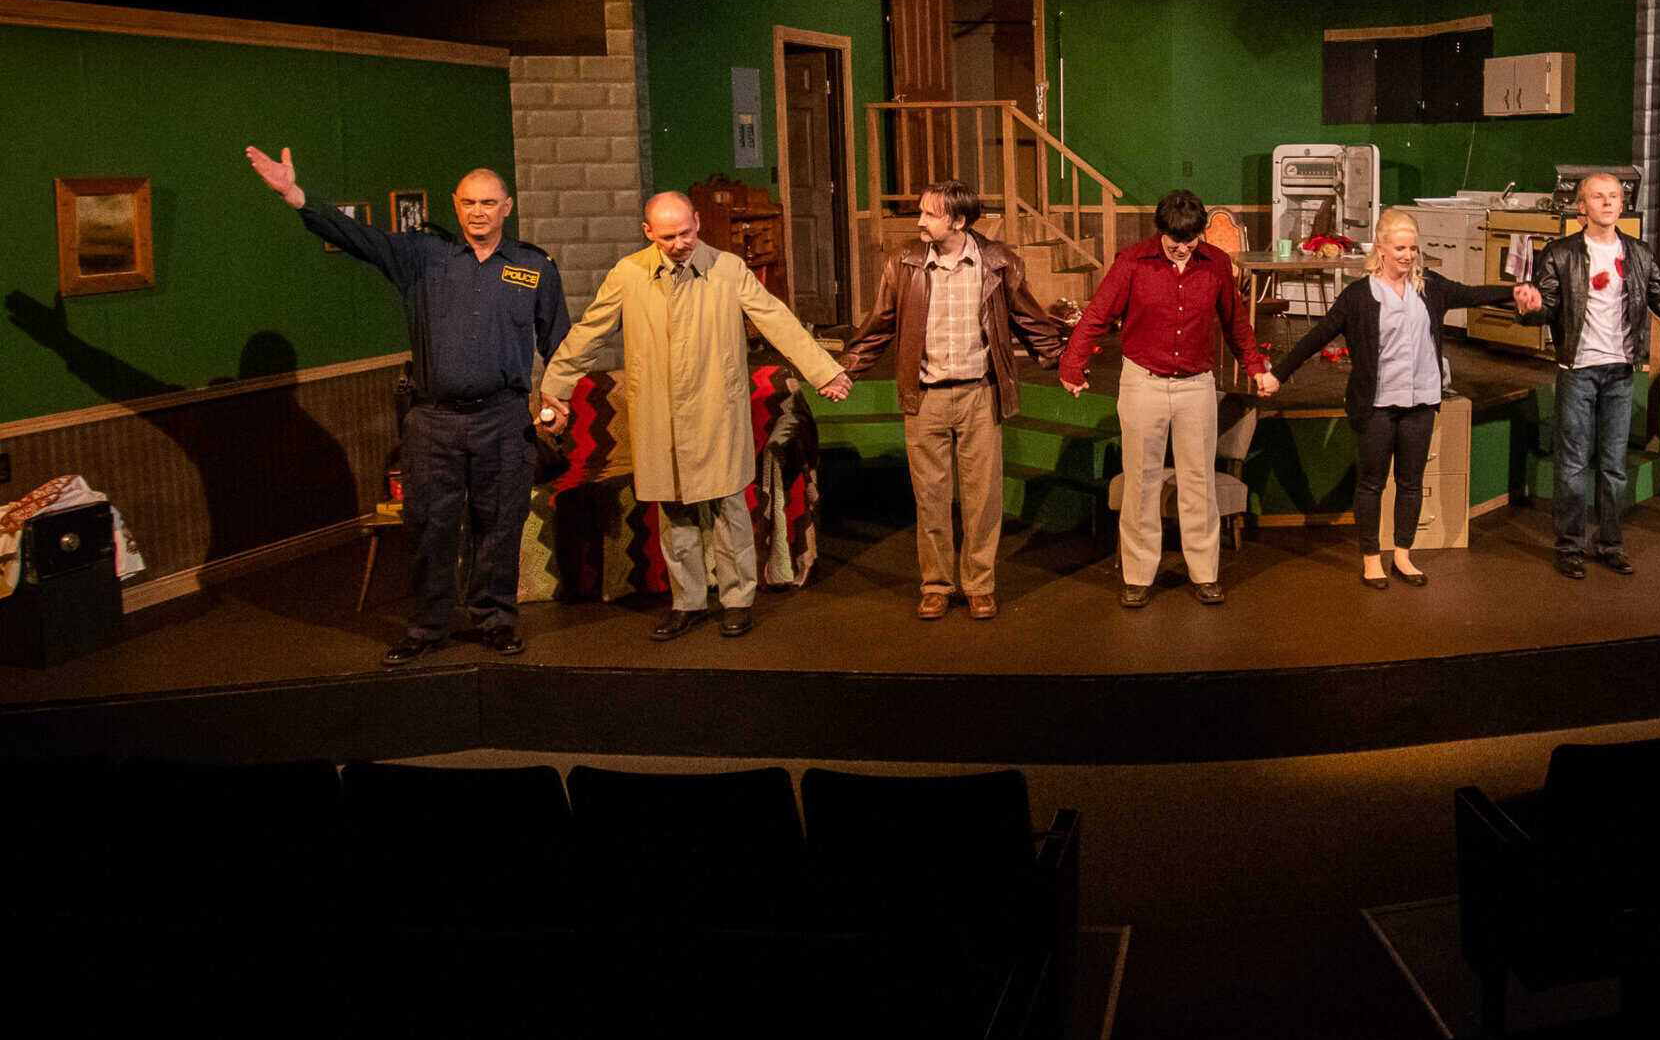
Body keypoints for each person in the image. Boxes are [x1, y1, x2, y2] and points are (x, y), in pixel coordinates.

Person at [244, 147, 566, 663]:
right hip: (433, 421)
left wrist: (559, 394)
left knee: (499, 526)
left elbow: (560, 344)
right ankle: (428, 626)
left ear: (507, 207)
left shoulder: (533, 267)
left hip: (504, 420)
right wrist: (297, 196)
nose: (478, 212)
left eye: (488, 203)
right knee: (430, 527)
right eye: (468, 203)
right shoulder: (422, 256)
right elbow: (357, 237)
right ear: (455, 205)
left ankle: (497, 620)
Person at [539, 191, 852, 640]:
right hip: (659, 415)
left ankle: (737, 600)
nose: (678, 244)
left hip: (714, 412)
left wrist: (823, 371)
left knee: (728, 508)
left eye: (685, 233)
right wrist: (557, 387)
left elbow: (776, 319)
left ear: (699, 223)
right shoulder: (629, 274)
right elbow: (590, 332)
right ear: (648, 232)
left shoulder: (727, 269)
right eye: (667, 236)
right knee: (675, 512)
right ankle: (687, 602)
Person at [839, 180, 1071, 621]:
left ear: (959, 220)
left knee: (983, 498)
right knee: (930, 498)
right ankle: (936, 585)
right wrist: (845, 369)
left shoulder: (998, 262)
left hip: (979, 395)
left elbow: (1029, 319)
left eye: (931, 214)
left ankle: (979, 585)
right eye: (921, 212)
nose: (920, 221)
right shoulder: (904, 263)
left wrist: (1065, 363)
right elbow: (879, 325)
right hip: (925, 396)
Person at [1268, 208, 1520, 589]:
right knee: (1372, 482)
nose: (1408, 255)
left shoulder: (1429, 287)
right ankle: (1372, 558)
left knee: (1410, 481)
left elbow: (1471, 294)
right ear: (1381, 248)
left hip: (1421, 400)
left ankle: (1403, 554)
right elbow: (1316, 338)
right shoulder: (1359, 296)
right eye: (1400, 248)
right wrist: (1278, 374)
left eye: (1413, 249)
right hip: (1378, 405)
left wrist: (1514, 292)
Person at [1059, 189, 1279, 608]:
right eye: (1175, 240)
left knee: (1199, 481)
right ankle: (1138, 576)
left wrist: (1255, 367)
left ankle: (1205, 574)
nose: (1182, 248)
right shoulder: (1132, 262)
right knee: (1141, 481)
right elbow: (1097, 314)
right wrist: (1072, 363)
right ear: (1160, 231)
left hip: (1196, 385)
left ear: (1200, 233)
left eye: (1190, 240)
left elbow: (1235, 323)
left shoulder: (1216, 264)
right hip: (1143, 382)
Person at [1515, 173, 1660, 578]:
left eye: (1614, 196)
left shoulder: (1638, 253)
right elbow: (1546, 308)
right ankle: (1570, 545)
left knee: (1613, 465)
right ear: (1582, 207)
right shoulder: (1560, 253)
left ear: (1622, 206)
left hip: (1621, 371)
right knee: (1573, 464)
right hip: (1578, 370)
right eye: (1598, 196)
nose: (1608, 202)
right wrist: (1532, 307)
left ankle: (1610, 543)